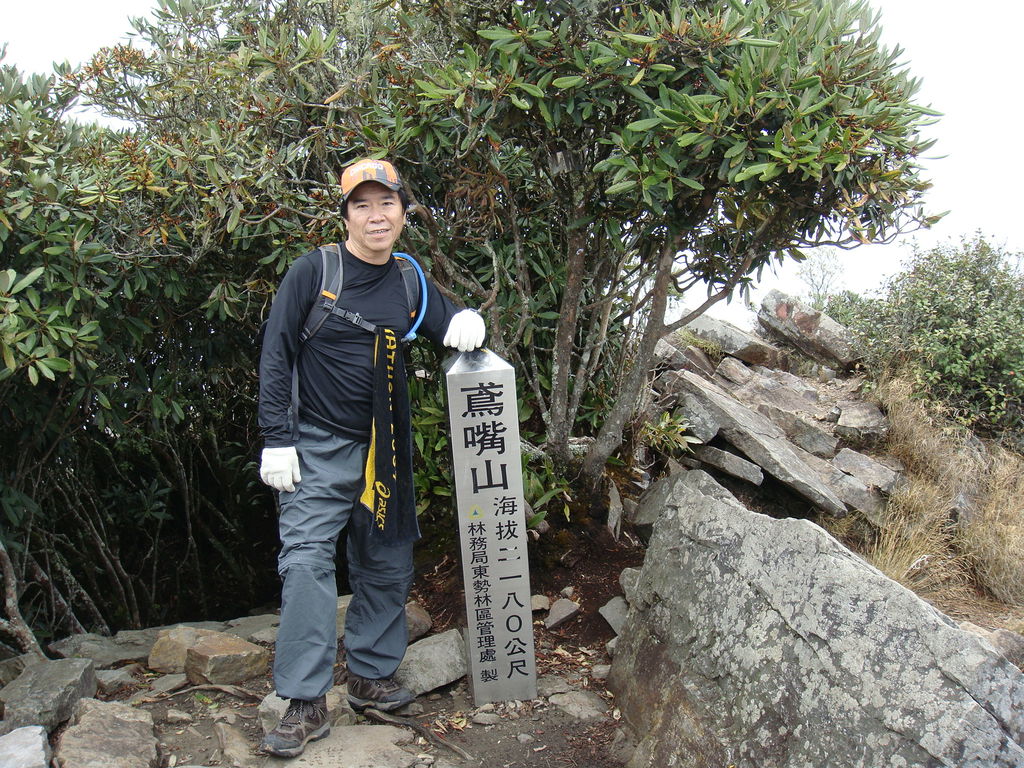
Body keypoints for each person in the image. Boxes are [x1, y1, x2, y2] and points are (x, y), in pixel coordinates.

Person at [256, 158, 485, 758]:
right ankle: (304, 701)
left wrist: (464, 319)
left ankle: (370, 674)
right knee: (306, 561)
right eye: (363, 204)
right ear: (346, 215)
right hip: (318, 442)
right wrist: (276, 438)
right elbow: (276, 355)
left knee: (385, 560)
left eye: (387, 203)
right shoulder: (316, 272)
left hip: (386, 445)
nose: (377, 215)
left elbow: (446, 321)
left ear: (404, 212)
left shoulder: (409, 280)